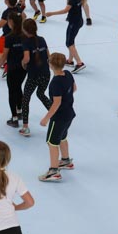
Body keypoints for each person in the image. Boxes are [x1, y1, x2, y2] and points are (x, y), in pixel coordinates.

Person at [37, 52, 76, 183]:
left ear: (51, 65)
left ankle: (53, 171)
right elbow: (74, 88)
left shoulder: (55, 83)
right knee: (62, 137)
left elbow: (56, 103)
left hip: (59, 117)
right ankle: (65, 160)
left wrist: (46, 118)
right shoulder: (68, 74)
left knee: (52, 142)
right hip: (69, 113)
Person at [45, 0, 86, 73]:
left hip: (74, 22)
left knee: (69, 43)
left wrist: (51, 13)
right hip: (77, 21)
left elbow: (65, 10)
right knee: (71, 41)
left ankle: (79, 63)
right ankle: (70, 61)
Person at [19, 18, 52, 137]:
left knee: (26, 98)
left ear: (24, 30)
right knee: (41, 93)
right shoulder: (42, 39)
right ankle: (55, 113)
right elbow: (48, 55)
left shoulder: (26, 42)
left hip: (34, 75)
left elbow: (27, 58)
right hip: (45, 73)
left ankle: (25, 127)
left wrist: (22, 63)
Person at [0, 12, 25, 127]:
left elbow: (5, 55)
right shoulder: (25, 35)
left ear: (11, 22)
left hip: (12, 68)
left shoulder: (9, 37)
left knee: (12, 91)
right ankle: (19, 111)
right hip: (23, 68)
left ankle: (14, 118)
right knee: (18, 87)